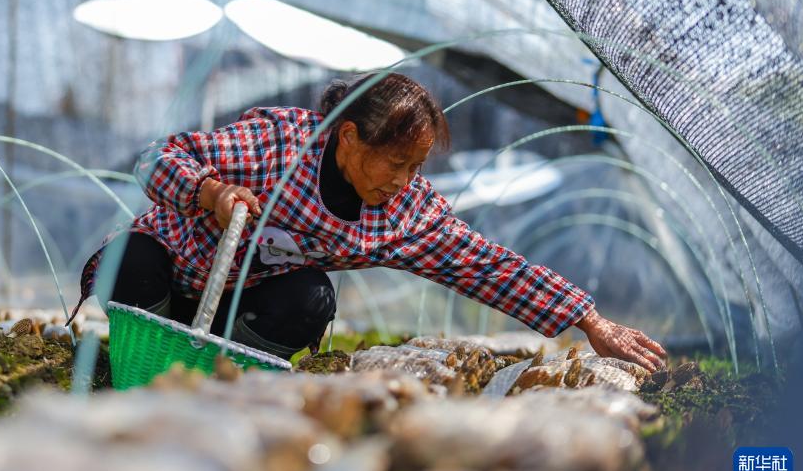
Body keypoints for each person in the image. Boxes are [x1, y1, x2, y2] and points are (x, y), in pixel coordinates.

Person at [74, 73, 667, 370]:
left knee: (310, 298)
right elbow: (153, 158)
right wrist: (208, 192)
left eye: (416, 167)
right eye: (396, 162)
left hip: (241, 302)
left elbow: (487, 266)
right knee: (135, 261)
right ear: (349, 137)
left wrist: (586, 319)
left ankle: (224, 371)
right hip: (171, 271)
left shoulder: (403, 214)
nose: (403, 180)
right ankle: (138, 363)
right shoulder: (279, 146)